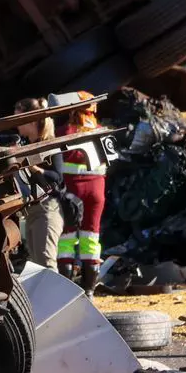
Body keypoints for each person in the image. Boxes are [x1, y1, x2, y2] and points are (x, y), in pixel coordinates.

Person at [50, 90, 108, 294]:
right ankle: (90, 291)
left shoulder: (64, 132)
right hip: (97, 192)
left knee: (66, 239)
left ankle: (67, 292)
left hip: (72, 192)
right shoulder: (102, 131)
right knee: (91, 238)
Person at [8, 97, 63, 271]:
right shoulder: (27, 145)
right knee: (36, 264)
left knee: (46, 263)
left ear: (31, 121)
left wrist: (36, 169)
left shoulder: (49, 144)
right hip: (33, 210)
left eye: (20, 119)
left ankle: (57, 298)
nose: (17, 124)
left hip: (47, 209)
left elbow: (58, 177)